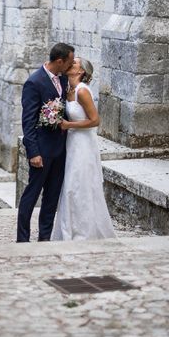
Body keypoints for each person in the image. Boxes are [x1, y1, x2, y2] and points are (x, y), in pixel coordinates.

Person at [51, 57, 115, 241]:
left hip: (83, 144)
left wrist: (68, 125)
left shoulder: (82, 91)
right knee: (71, 185)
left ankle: (83, 232)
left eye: (75, 62)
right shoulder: (68, 89)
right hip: (72, 142)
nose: (71, 63)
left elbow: (95, 120)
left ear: (81, 71)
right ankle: (68, 228)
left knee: (79, 184)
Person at [17, 43, 75, 242]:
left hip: (60, 150)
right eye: (69, 62)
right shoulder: (34, 82)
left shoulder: (65, 78)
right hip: (41, 151)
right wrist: (33, 152)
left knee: (51, 199)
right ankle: (23, 240)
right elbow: (28, 121)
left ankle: (44, 239)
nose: (71, 65)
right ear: (60, 61)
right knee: (31, 196)